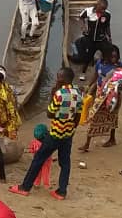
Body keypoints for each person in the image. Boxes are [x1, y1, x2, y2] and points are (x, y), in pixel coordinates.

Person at [10, 67, 82, 201]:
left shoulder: (59, 94)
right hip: (68, 134)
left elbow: (49, 114)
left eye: (59, 77)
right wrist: (70, 129)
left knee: (38, 159)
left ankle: (25, 187)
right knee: (65, 162)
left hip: (55, 133)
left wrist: (52, 95)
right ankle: (61, 191)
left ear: (64, 79)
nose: (57, 79)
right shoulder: (78, 93)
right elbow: (77, 116)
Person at [79, 47, 122, 153]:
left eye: (116, 56)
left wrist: (118, 88)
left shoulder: (120, 66)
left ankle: (111, 138)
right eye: (112, 56)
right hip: (100, 93)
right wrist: (89, 86)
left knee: (112, 116)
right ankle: (87, 142)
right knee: (94, 116)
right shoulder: (99, 63)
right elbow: (95, 76)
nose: (114, 59)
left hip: (113, 96)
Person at [75, 0, 112, 70]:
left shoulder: (107, 14)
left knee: (107, 54)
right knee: (87, 57)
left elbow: (107, 26)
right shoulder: (88, 11)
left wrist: (109, 36)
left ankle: (104, 69)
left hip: (101, 39)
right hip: (90, 39)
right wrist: (83, 26)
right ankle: (84, 71)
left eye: (104, 9)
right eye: (102, 9)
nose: (103, 11)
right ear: (97, 5)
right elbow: (81, 17)